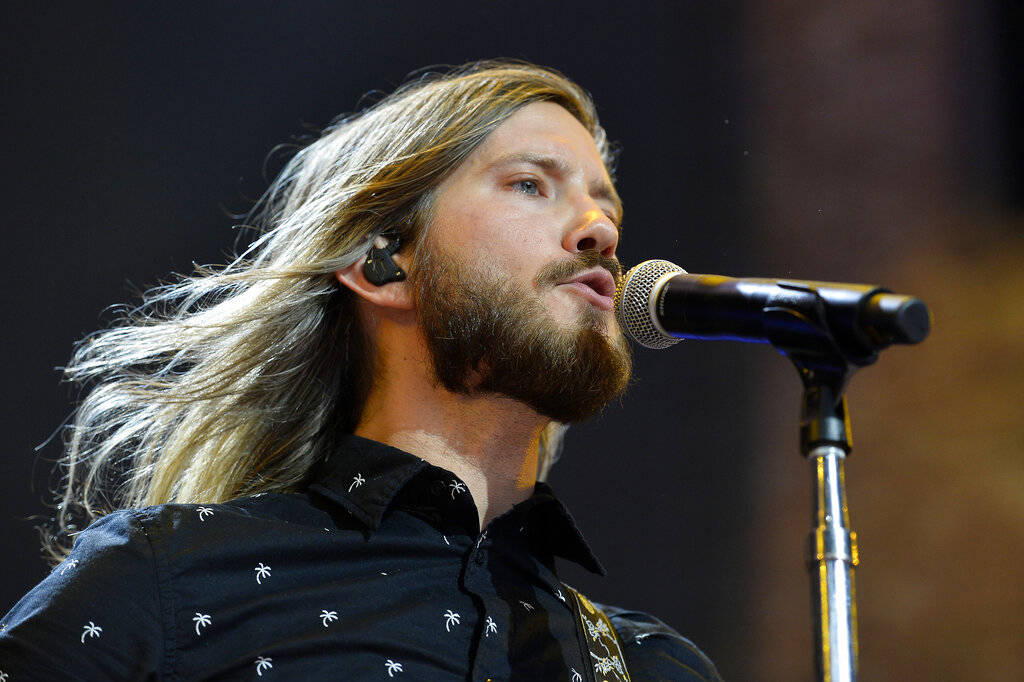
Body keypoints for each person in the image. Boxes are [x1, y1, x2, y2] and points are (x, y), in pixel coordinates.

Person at [0, 61, 721, 681]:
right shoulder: (166, 582)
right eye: (531, 184)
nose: (602, 230)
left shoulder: (649, 663)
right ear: (381, 263)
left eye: (606, 203)